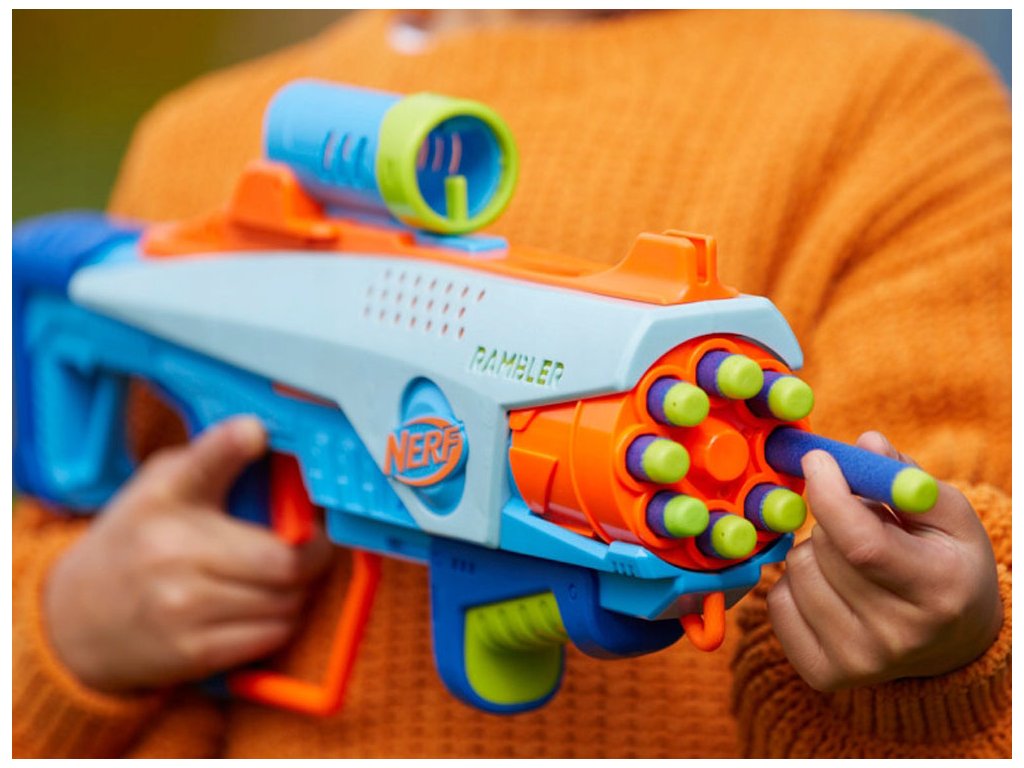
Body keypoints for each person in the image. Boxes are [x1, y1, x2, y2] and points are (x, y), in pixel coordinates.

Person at [13, 9, 1011, 758]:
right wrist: (74, 630)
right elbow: (58, 529)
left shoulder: (897, 104)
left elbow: (948, 532)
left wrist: (952, 655)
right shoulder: (198, 135)